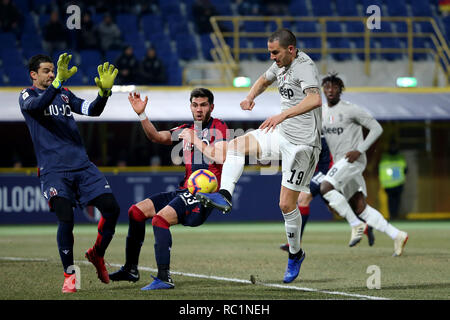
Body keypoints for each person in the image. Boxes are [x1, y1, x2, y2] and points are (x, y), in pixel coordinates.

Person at [196, 29, 323, 284]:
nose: (272, 57)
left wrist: (283, 115)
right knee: (235, 146)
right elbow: (264, 80)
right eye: (270, 52)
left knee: (286, 205)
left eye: (275, 52)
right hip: (282, 134)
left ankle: (295, 254)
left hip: (303, 145)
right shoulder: (281, 65)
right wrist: (250, 97)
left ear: (290, 49)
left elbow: (315, 99)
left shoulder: (305, 67)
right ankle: (225, 195)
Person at [109, 88, 229, 290]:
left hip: (204, 195)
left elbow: (221, 157)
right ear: (190, 106)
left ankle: (164, 277)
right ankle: (131, 269)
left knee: (160, 220)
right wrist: (142, 114)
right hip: (185, 190)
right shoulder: (186, 129)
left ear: (211, 107)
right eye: (195, 105)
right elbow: (156, 136)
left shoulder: (220, 127)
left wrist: (195, 140)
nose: (199, 109)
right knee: (136, 212)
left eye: (203, 105)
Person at [19, 53, 120, 293]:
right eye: (47, 71)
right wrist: (55, 85)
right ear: (33, 75)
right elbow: (37, 106)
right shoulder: (27, 95)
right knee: (66, 218)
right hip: (54, 170)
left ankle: (97, 253)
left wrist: (104, 94)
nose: (53, 74)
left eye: (53, 70)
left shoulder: (64, 94)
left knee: (112, 209)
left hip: (82, 166)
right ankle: (69, 275)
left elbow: (91, 110)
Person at [319, 73, 408, 256]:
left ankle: (356, 224)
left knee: (325, 187)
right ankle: (397, 234)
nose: (330, 90)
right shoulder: (321, 112)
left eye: (334, 87)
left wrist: (360, 149)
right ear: (323, 89)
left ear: (340, 90)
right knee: (360, 207)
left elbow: (377, 128)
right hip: (340, 163)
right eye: (327, 87)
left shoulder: (351, 109)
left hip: (352, 159)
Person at [279, 136, 375, 252]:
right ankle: (364, 225)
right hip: (320, 171)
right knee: (334, 207)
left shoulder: (320, 130)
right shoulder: (309, 131)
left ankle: (295, 243)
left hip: (328, 171)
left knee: (303, 198)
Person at [378, 138, 408, 220]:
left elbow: (405, 169)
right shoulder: (397, 157)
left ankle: (394, 216)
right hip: (390, 184)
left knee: (395, 201)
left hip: (396, 184)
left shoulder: (386, 157)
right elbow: (405, 170)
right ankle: (393, 216)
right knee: (392, 201)